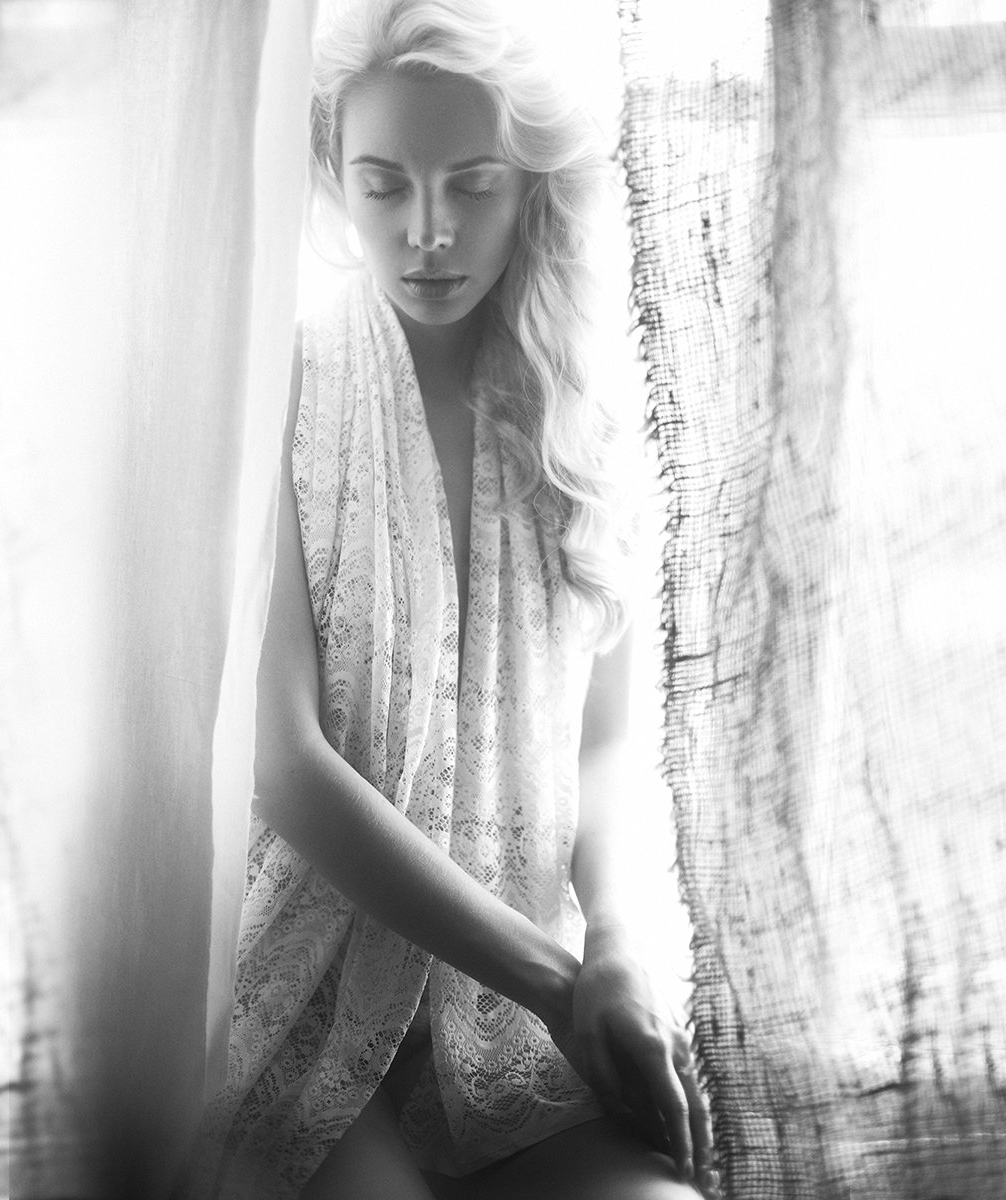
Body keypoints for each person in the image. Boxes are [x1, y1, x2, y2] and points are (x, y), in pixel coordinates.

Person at [180, 2, 715, 1196]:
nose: (427, 232)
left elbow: (608, 747)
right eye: (384, 186)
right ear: (336, 179)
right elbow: (283, 762)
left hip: (514, 1008)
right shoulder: (277, 387)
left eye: (472, 185)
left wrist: (617, 947)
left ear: (530, 188)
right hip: (303, 993)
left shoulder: (583, 419)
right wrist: (560, 983)